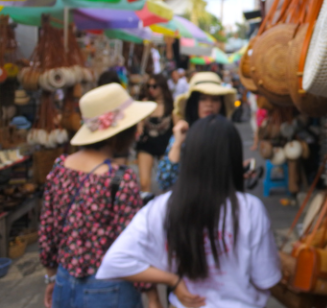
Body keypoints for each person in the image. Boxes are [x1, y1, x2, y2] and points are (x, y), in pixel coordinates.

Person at [97, 115, 281, 308]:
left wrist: (172, 280)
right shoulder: (250, 209)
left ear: (189, 154)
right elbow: (266, 278)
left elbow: (114, 261)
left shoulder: (164, 206)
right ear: (233, 157)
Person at [39, 83, 159, 308]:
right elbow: (133, 245)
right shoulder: (120, 179)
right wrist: (151, 294)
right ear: (120, 133)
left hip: (65, 282)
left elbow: (48, 229)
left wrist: (52, 277)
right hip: (110, 288)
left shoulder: (60, 167)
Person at [156, 72, 237, 191]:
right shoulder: (184, 134)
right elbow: (165, 181)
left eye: (215, 99)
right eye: (203, 99)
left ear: (221, 104)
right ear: (194, 103)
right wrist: (178, 143)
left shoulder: (227, 134)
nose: (209, 104)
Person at [136, 74, 174, 197]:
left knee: (166, 182)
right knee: (144, 182)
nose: (151, 89)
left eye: (154, 86)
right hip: (147, 144)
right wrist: (139, 127)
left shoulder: (170, 105)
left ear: (162, 87)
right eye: (148, 86)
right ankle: (146, 206)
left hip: (165, 144)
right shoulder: (145, 104)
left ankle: (164, 210)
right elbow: (139, 123)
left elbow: (177, 126)